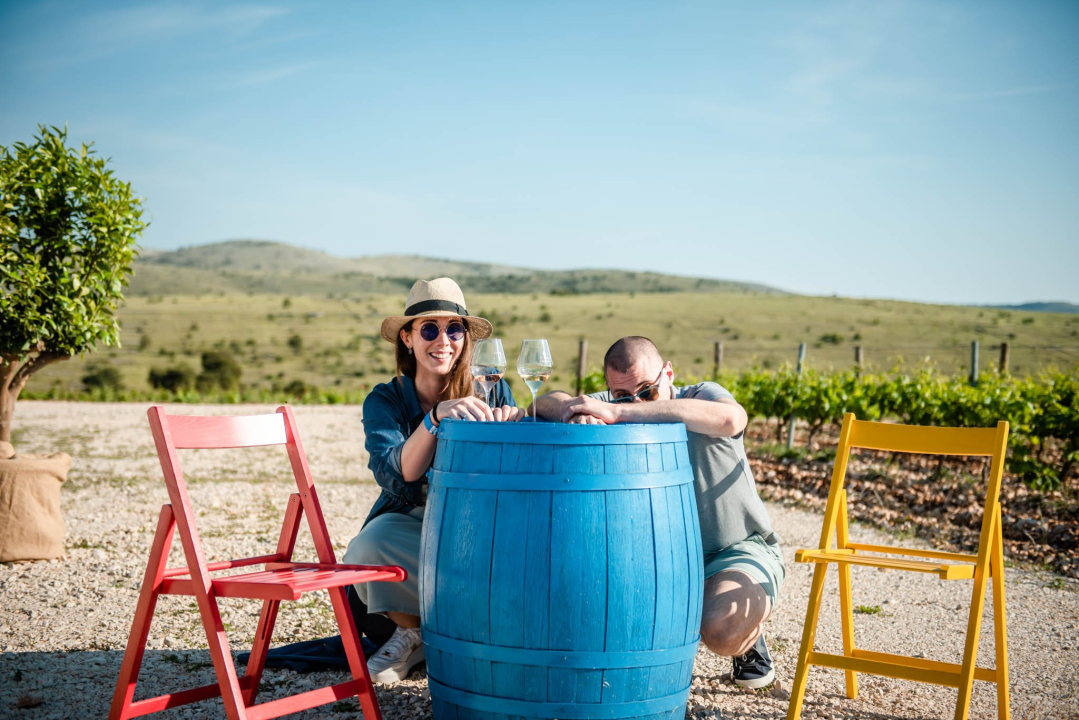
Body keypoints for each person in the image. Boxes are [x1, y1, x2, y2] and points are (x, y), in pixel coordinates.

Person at [535, 336, 783, 690]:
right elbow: (548, 399)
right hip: (655, 560)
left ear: (668, 373)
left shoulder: (701, 395)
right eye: (622, 395)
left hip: (734, 549)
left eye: (647, 391)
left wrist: (620, 411)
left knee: (722, 629)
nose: (636, 402)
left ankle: (748, 642)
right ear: (610, 388)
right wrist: (572, 410)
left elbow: (732, 419)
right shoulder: (616, 399)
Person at [344, 278, 522, 685]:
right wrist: (436, 417)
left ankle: (469, 632)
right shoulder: (385, 400)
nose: (443, 340)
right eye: (429, 329)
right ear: (407, 339)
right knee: (367, 547)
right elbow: (399, 473)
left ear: (465, 339)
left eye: (454, 329)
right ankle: (412, 632)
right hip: (415, 526)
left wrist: (512, 428)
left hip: (479, 526)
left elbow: (511, 471)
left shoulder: (492, 389)